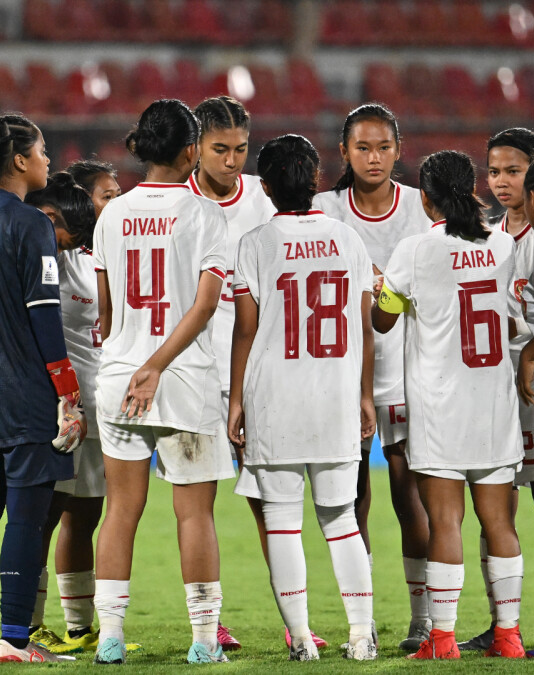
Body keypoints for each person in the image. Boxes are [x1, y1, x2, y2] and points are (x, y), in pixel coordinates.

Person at [91, 99, 231, 665]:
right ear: (191, 150)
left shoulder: (111, 214)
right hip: (182, 379)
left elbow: (104, 312)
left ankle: (109, 638)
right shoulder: (205, 215)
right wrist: (158, 365)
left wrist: (134, 359)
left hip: (119, 377)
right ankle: (204, 642)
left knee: (120, 510)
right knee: (194, 513)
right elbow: (204, 307)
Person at [227, 134, 376, 662]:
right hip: (335, 395)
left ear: (265, 187)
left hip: (275, 398)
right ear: (315, 180)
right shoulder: (348, 238)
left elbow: (246, 330)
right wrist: (365, 395)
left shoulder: (255, 243)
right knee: (342, 521)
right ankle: (361, 636)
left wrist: (236, 401)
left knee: (282, 522)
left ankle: (301, 641)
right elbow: (364, 327)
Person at [372, 150, 526, 660]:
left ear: (425, 198)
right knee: (499, 522)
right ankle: (508, 635)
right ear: (474, 187)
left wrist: (381, 292)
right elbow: (509, 317)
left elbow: (383, 321)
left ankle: (441, 638)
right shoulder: (503, 243)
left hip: (439, 405)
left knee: (445, 522)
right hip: (494, 403)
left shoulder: (415, 250)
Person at [0, 114, 81, 663]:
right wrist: (67, 391)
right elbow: (44, 316)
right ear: (21, 160)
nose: (49, 159)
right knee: (27, 517)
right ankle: (15, 639)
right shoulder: (30, 224)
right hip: (24, 392)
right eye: (43, 150)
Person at [312, 104, 432, 652]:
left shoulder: (420, 207)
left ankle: (421, 620)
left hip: (407, 371)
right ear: (344, 152)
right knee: (352, 499)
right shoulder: (324, 209)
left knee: (410, 498)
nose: (374, 157)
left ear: (398, 150)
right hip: (343, 373)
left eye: (384, 147)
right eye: (362, 147)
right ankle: (364, 625)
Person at [186, 95, 277, 653]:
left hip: (255, 372)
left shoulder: (262, 199)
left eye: (241, 149)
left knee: (269, 502)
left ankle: (293, 617)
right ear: (195, 147)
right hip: (196, 372)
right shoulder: (177, 203)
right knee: (198, 504)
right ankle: (208, 623)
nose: (232, 160)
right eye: (220, 149)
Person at [457, 126, 534, 654]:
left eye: (513, 171)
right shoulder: (485, 237)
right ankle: (501, 624)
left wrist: (530, 356)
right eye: (493, 172)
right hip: (495, 390)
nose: (500, 181)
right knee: (494, 509)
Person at [21, 172, 107, 654]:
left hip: (98, 407)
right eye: (106, 195)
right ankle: (27, 625)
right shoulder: (44, 261)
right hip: (58, 410)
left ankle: (79, 627)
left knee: (85, 515)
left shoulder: (96, 258)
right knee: (44, 517)